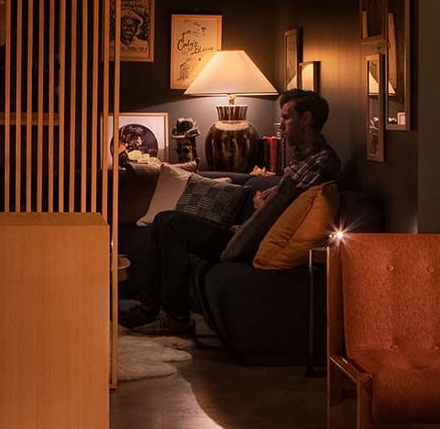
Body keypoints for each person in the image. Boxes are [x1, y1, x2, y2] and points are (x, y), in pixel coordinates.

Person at [121, 89, 341, 336]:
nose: (282, 126)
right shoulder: (302, 157)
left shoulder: (322, 162)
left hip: (253, 242)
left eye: (287, 118)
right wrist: (267, 200)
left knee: (170, 223)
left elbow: (287, 207)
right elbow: (284, 195)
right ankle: (153, 310)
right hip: (243, 231)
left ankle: (174, 317)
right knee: (164, 222)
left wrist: (262, 205)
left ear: (307, 119)